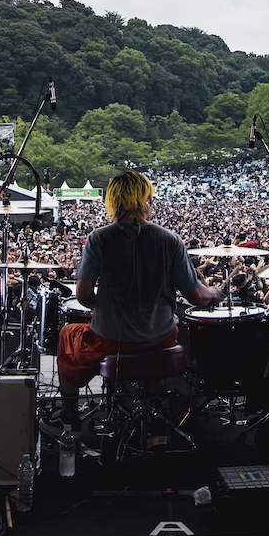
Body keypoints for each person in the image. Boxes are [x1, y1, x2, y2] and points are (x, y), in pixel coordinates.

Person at [54, 170, 220, 428]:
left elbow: (83, 296)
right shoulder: (170, 240)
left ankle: (69, 416)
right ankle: (154, 413)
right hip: (160, 338)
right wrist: (215, 293)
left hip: (111, 340)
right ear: (146, 200)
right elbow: (196, 296)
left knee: (68, 334)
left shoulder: (99, 238)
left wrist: (105, 305)